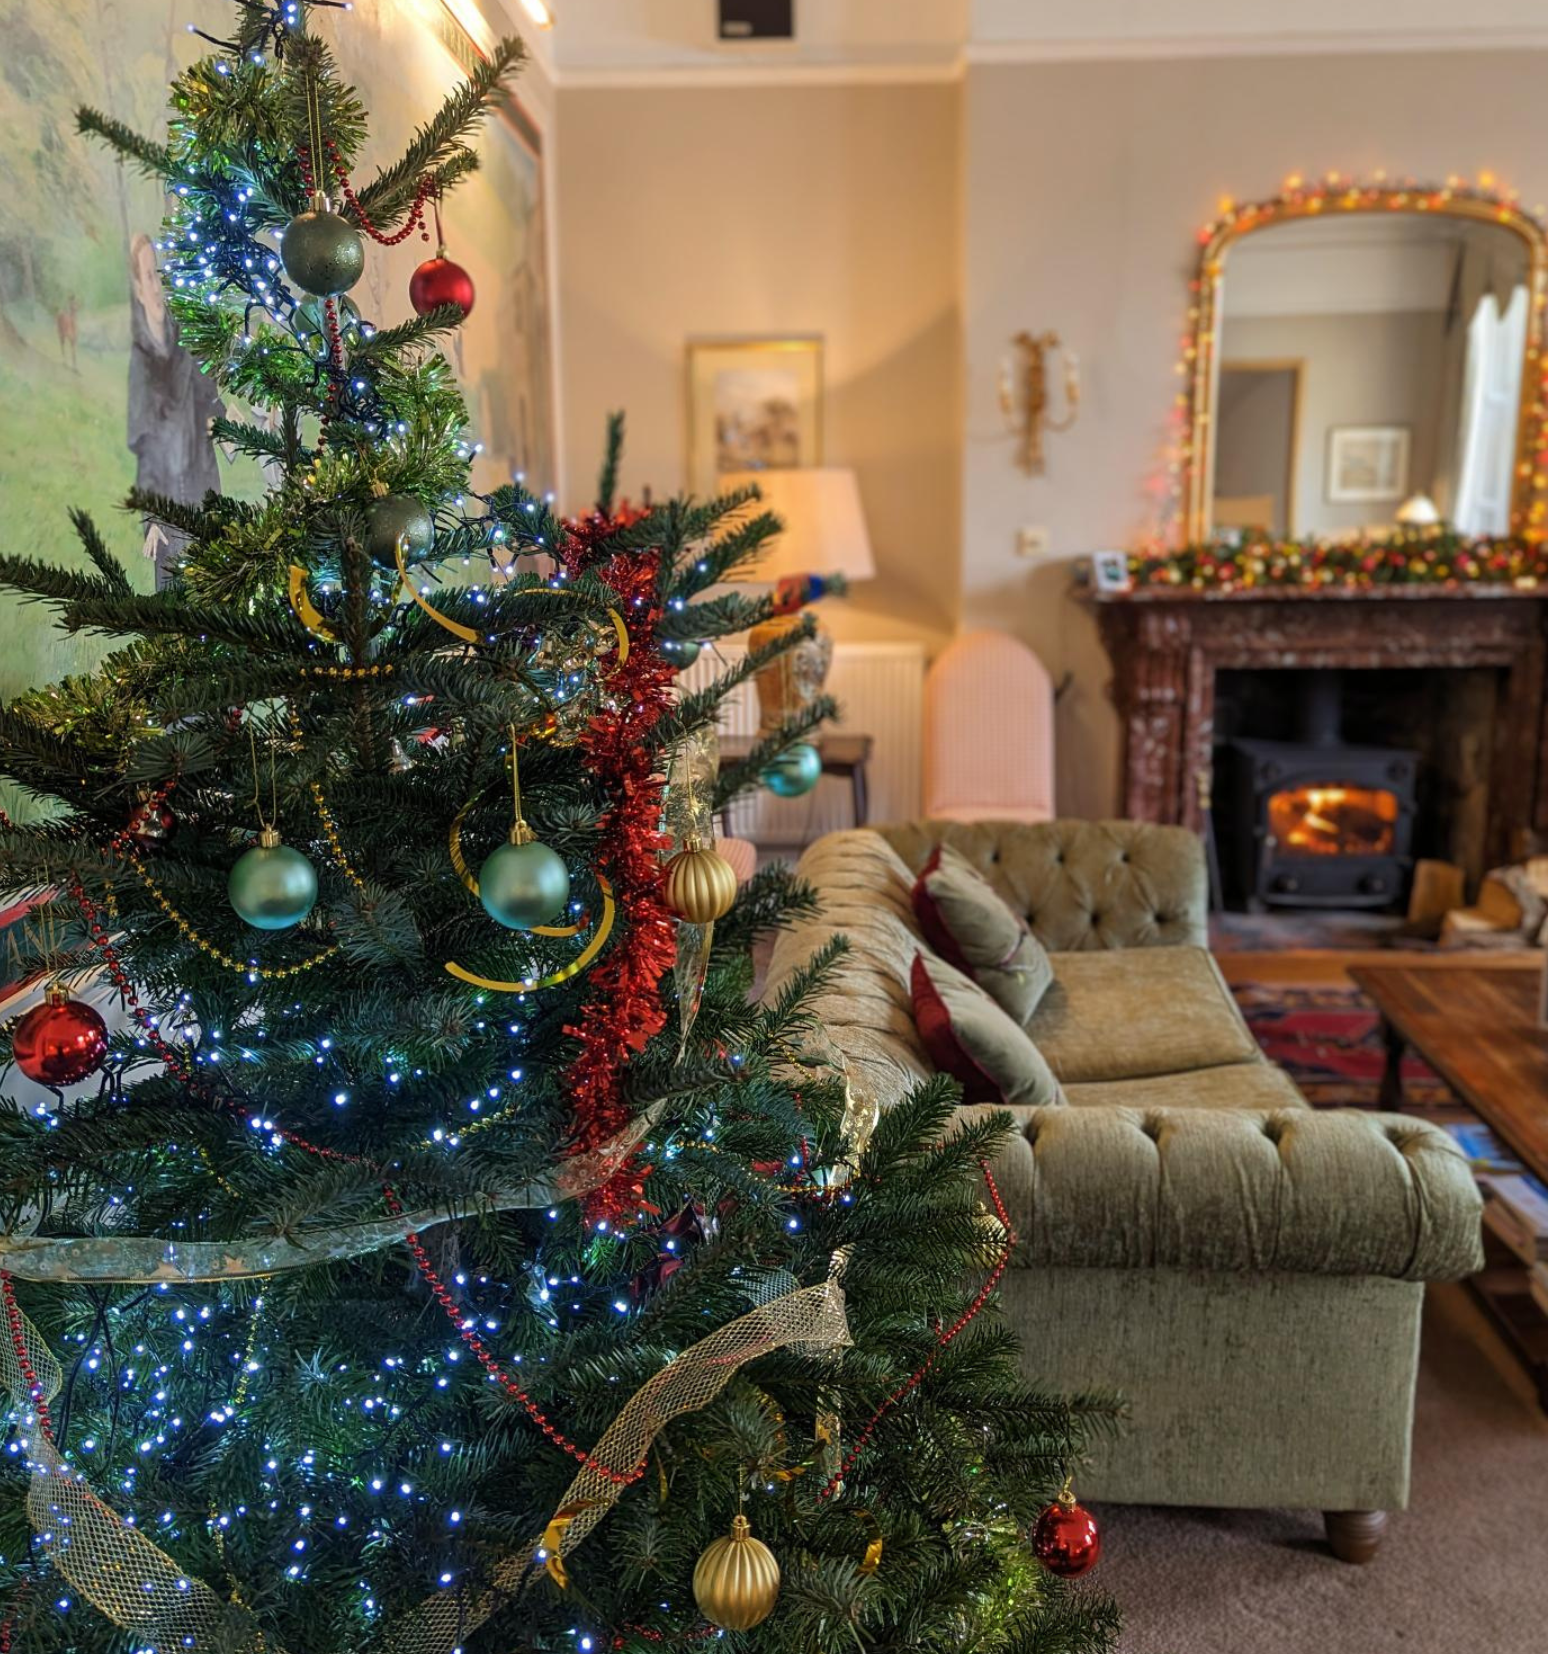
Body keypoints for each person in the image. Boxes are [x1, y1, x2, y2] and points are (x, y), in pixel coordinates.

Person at [127, 232, 225, 587]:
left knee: (214, 588)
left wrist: (225, 423)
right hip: (169, 512)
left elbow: (208, 396)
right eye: (148, 276)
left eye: (158, 273)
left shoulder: (182, 338)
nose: (156, 285)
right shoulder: (142, 361)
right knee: (177, 600)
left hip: (204, 488)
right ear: (139, 289)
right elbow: (146, 449)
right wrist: (152, 519)